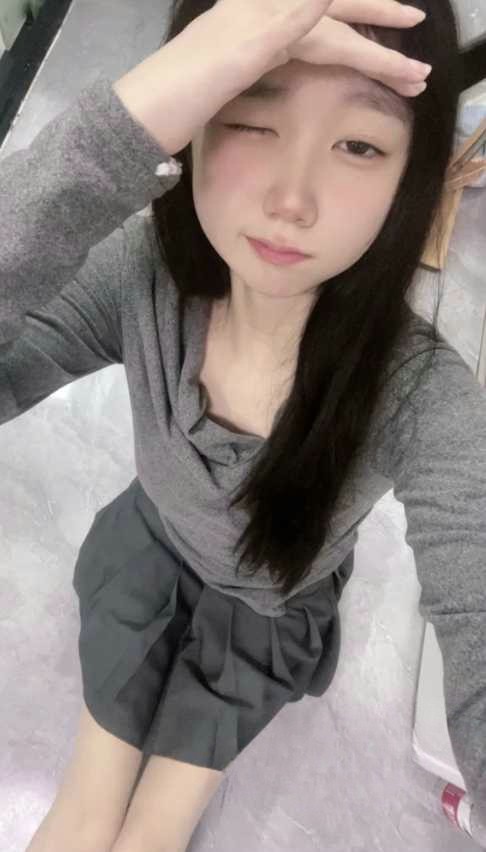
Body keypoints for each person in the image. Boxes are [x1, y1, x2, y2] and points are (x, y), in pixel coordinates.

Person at [1, 0, 485, 850]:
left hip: (270, 610)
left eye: (359, 145)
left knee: (151, 833)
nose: (291, 200)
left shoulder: (420, 395)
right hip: (141, 560)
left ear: (410, 176)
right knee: (81, 816)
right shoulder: (141, 275)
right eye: (252, 118)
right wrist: (126, 124)